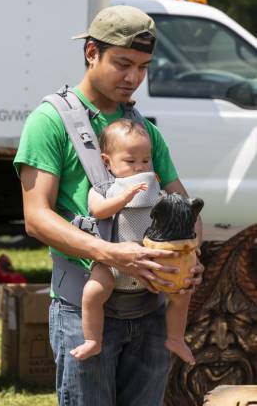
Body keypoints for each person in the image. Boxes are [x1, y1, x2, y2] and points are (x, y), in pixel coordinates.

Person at [14, 5, 203, 406]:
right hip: (85, 308)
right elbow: (36, 217)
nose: (134, 78)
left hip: (150, 312)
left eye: (144, 66)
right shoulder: (49, 122)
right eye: (123, 63)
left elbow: (183, 206)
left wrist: (189, 254)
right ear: (91, 53)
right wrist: (109, 252)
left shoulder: (144, 131)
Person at [70, 118, 195, 366]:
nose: (140, 167)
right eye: (130, 161)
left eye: (145, 161)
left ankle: (176, 337)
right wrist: (123, 197)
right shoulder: (104, 189)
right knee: (93, 291)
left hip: (151, 264)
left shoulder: (156, 188)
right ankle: (93, 340)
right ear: (107, 161)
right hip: (112, 262)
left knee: (182, 292)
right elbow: (98, 211)